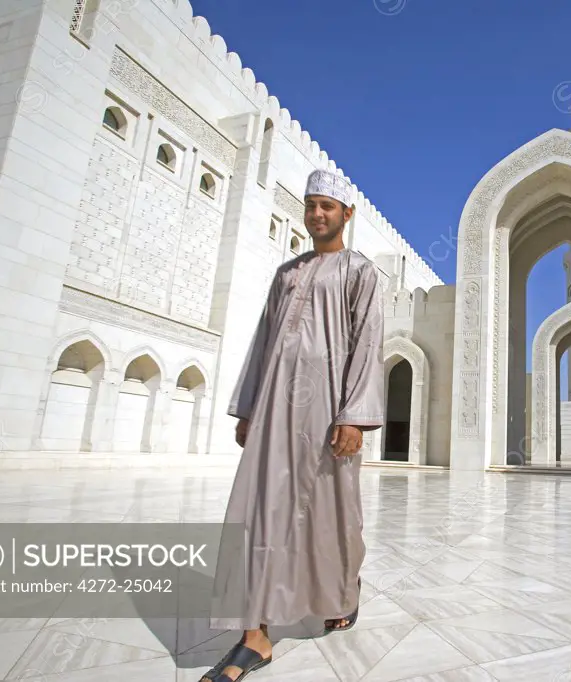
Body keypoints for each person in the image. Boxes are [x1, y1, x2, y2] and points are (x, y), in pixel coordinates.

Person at [201, 169, 385, 682]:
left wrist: (354, 416)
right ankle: (254, 635)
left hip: (328, 414)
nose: (317, 214)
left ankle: (341, 592)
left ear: (347, 213)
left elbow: (368, 346)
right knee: (258, 508)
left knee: (332, 512)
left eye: (327, 206)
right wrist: (250, 408)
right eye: (310, 206)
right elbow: (264, 343)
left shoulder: (359, 273)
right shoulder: (286, 273)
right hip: (274, 413)